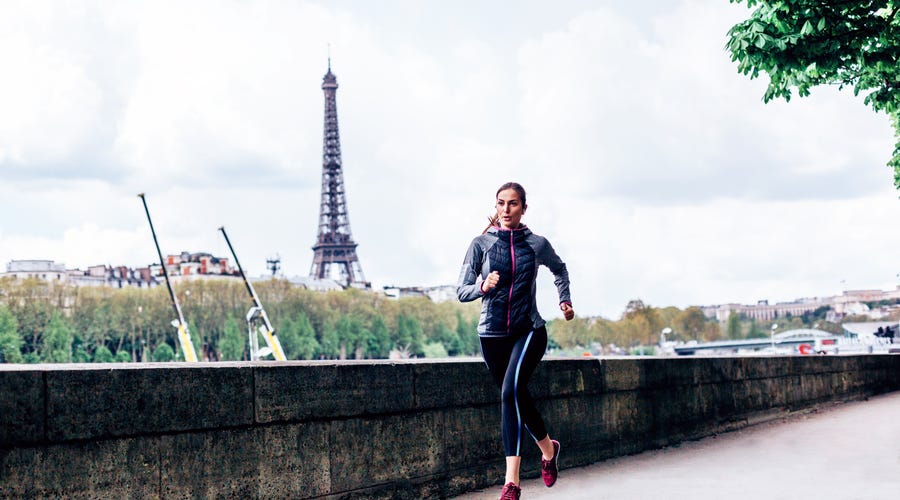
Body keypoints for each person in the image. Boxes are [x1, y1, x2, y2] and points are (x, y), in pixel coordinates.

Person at [456, 182, 575, 500]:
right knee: (517, 396)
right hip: (491, 335)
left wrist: (564, 300)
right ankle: (549, 451)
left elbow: (560, 269)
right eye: (500, 204)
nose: (506, 209)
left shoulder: (536, 244)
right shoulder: (480, 244)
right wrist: (483, 287)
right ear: (495, 208)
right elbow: (461, 290)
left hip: (529, 331)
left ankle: (512, 482)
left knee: (509, 393)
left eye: (512, 204)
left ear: (524, 207)